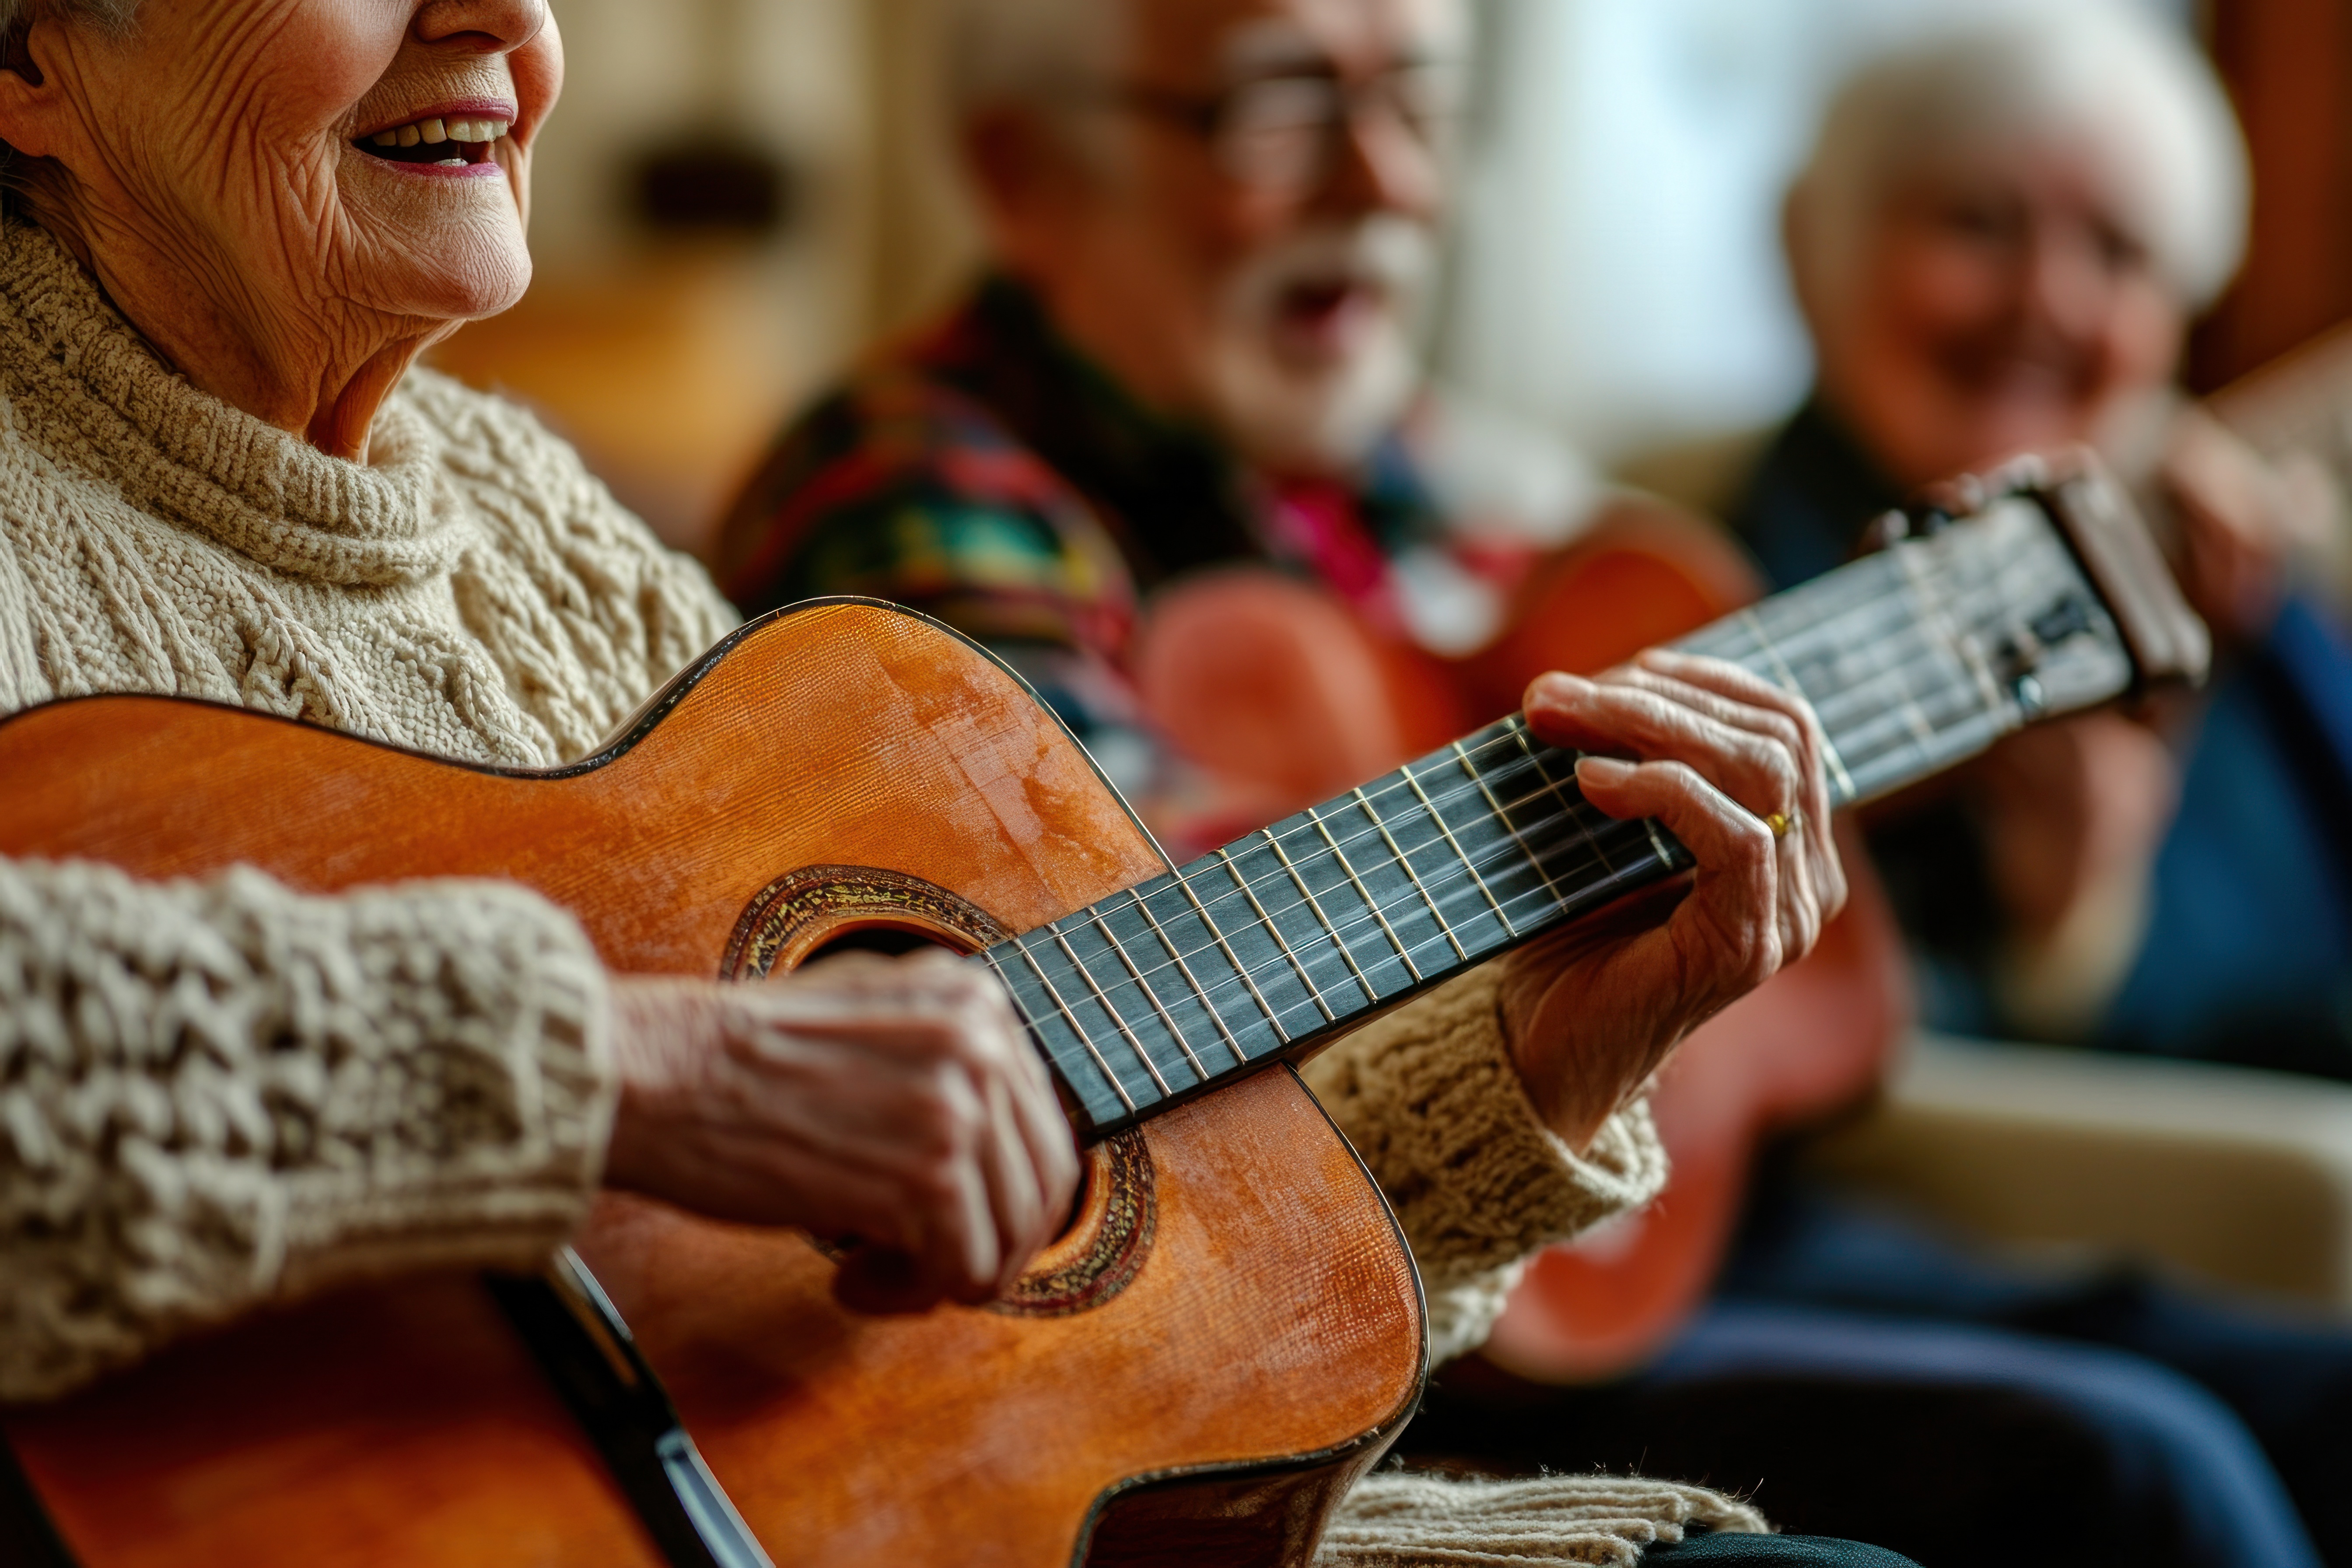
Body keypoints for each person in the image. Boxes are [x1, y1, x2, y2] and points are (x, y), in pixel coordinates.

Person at [0, 2, 1893, 1564]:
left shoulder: (536, 522)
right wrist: (638, 1074)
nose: (501, 24)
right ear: (29, 62)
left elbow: (1090, 1268)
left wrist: (1543, 1051)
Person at [715, 0, 2351, 1562]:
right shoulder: (919, 511)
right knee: (2139, 1467)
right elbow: (1150, 1074)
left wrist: (1950, 802)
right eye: (1281, 107)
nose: (1392, 182)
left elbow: (1810, 999)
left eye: (1422, 103)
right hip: (1380, 1326)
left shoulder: (1447, 480)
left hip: (1652, 1240)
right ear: (1020, 169)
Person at [1743, 4, 2350, 1066]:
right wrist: (2066, 925)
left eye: (2119, 252)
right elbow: (1791, 1096)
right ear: (1818, 249)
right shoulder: (1726, 599)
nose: (2050, 301)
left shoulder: (2210, 544)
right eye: (1977, 223)